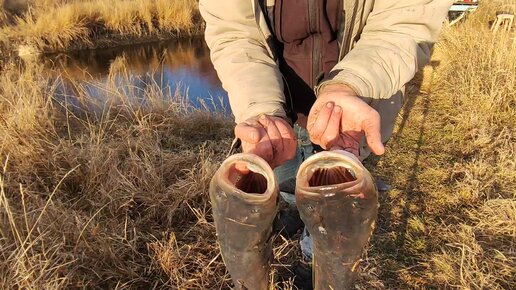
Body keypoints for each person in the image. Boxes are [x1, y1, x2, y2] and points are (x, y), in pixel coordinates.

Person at [200, 0, 453, 288]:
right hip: (281, 114)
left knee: (338, 206)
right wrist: (263, 108)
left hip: (354, 111)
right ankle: (298, 212)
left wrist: (351, 85)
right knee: (283, 183)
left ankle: (312, 254)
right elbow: (234, 33)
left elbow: (406, 22)